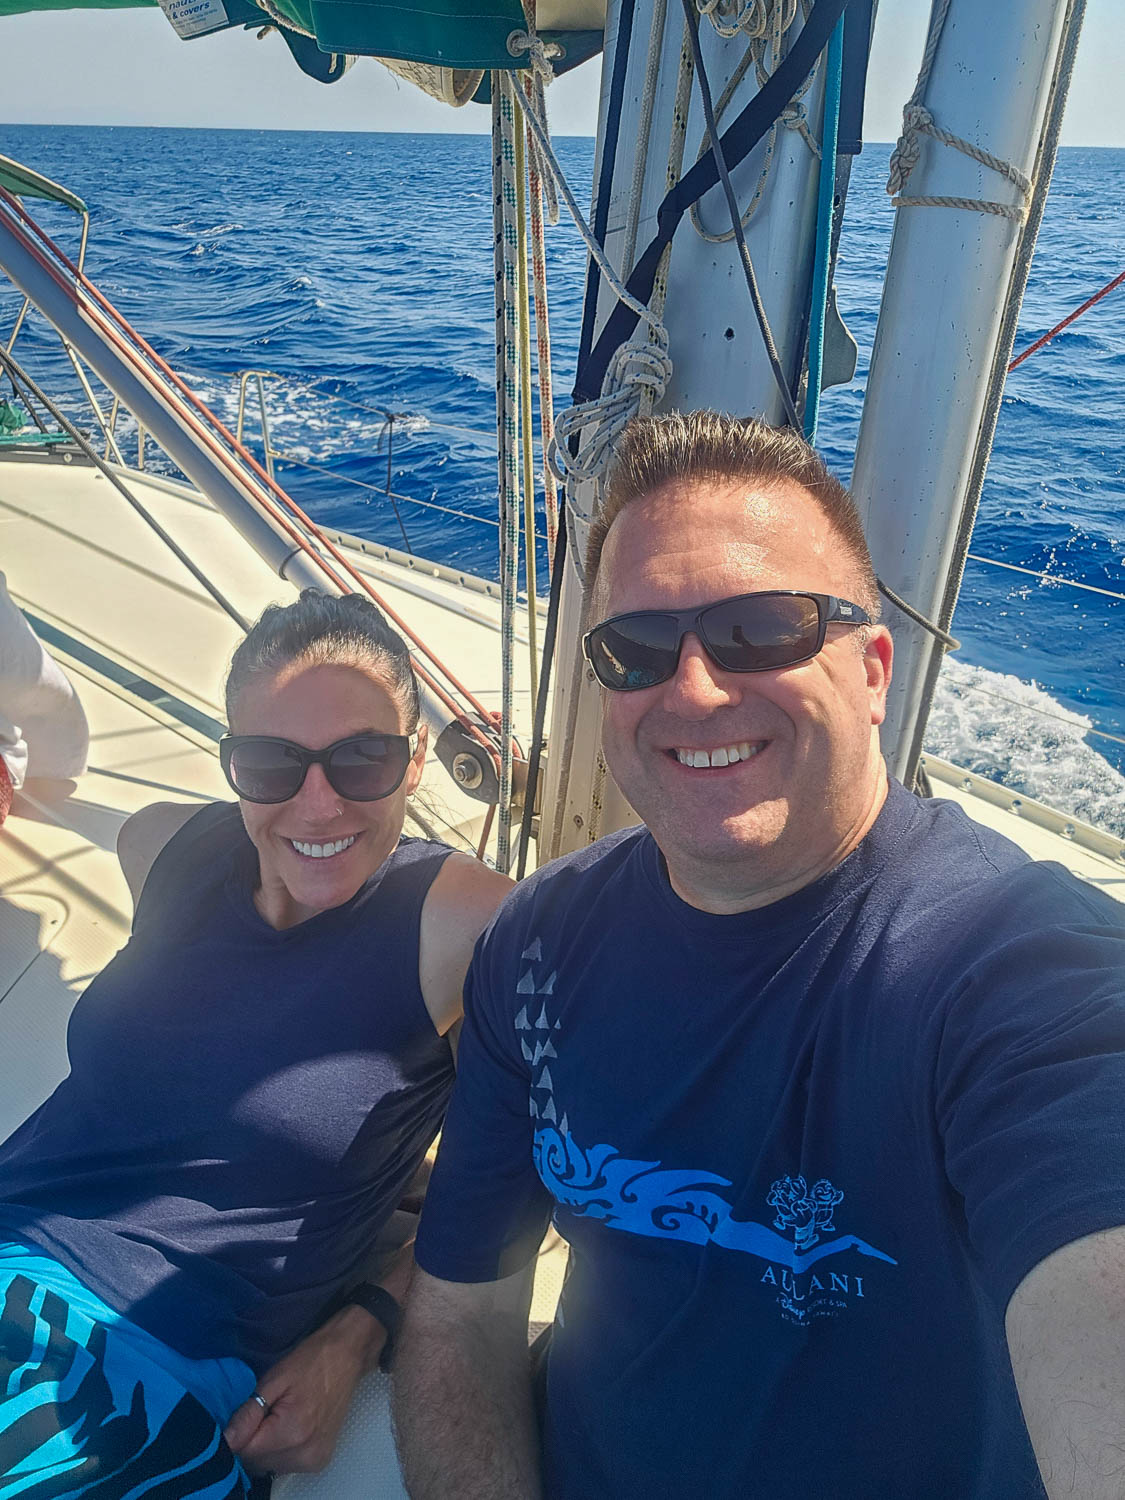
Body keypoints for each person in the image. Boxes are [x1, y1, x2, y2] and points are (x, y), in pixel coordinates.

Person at [394, 411, 1125, 1499]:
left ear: (873, 671)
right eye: (636, 649)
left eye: (763, 629)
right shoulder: (538, 942)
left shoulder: (1022, 971)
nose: (692, 689)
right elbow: (463, 1310)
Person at [0, 589, 511, 1494]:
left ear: (414, 759)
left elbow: (528, 1181)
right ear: (231, 762)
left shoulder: (462, 926)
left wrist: (359, 1329)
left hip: (139, 1358)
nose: (316, 806)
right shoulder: (166, 847)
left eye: (361, 759)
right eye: (272, 763)